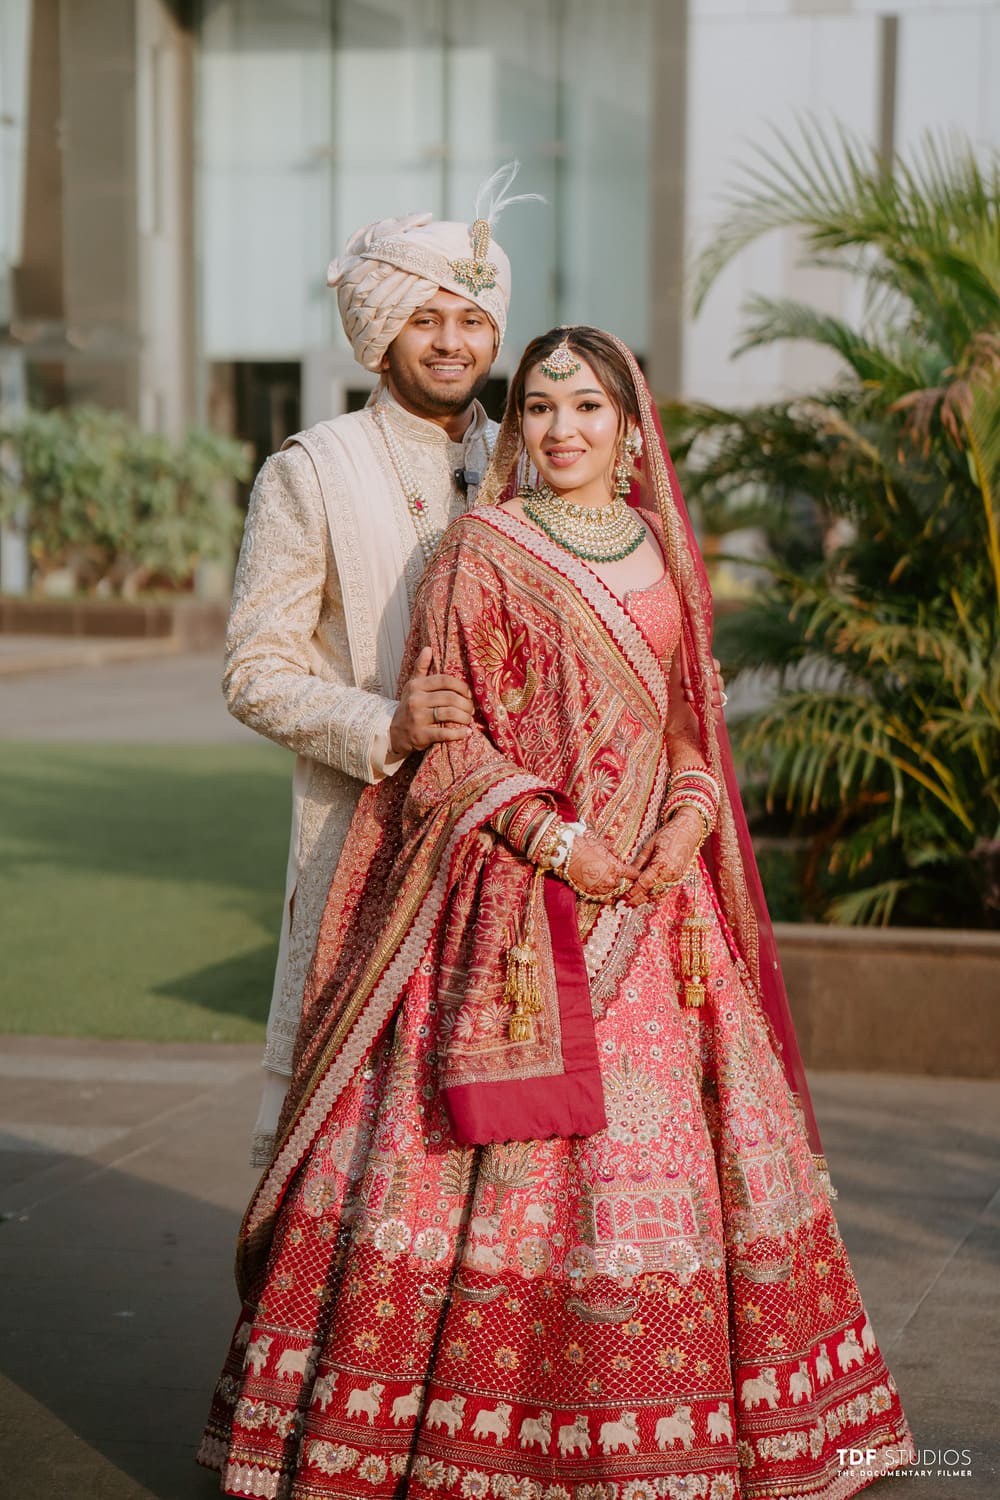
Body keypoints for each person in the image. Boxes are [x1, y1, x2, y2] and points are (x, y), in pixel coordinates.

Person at [200, 327, 911, 1499]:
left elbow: (686, 722)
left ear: (630, 425)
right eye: (538, 407)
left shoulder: (663, 549)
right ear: (517, 423)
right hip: (518, 907)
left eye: (586, 407)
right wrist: (555, 838)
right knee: (504, 1169)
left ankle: (692, 1436)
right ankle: (478, 1442)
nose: (562, 428)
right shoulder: (480, 548)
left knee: (679, 1169)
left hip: (662, 908)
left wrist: (688, 814)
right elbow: (450, 745)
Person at [223, 168, 537, 1165]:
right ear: (382, 331)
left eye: (473, 320)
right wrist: (385, 723)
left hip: (518, 848)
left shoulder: (536, 464)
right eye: (425, 318)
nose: (452, 341)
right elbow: (253, 670)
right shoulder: (312, 468)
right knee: (355, 1135)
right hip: (367, 840)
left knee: (511, 1123)